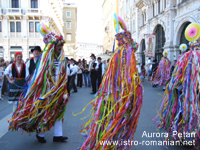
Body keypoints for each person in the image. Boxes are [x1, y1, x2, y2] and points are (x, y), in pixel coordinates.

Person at [75, 30, 143, 150]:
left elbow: (132, 80)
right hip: (114, 99)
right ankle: (109, 143)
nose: (129, 55)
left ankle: (115, 143)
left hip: (124, 98)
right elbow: (111, 81)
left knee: (121, 123)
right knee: (113, 121)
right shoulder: (117, 59)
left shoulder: (126, 61)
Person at [8, 23, 69, 143]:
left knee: (59, 110)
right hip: (46, 90)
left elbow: (63, 74)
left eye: (61, 45)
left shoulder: (62, 59)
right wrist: (49, 84)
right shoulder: (45, 59)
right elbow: (40, 76)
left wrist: (63, 88)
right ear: (53, 46)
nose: (61, 48)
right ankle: (40, 134)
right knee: (44, 111)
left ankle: (58, 135)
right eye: (59, 46)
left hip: (59, 90)